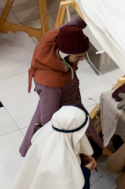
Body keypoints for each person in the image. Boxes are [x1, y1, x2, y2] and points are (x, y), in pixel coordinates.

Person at [20, 17, 103, 157]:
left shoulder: (55, 38)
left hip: (71, 104)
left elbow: (74, 25)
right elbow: (49, 120)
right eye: (78, 57)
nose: (82, 59)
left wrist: (90, 13)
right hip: (65, 118)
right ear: (65, 54)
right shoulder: (50, 84)